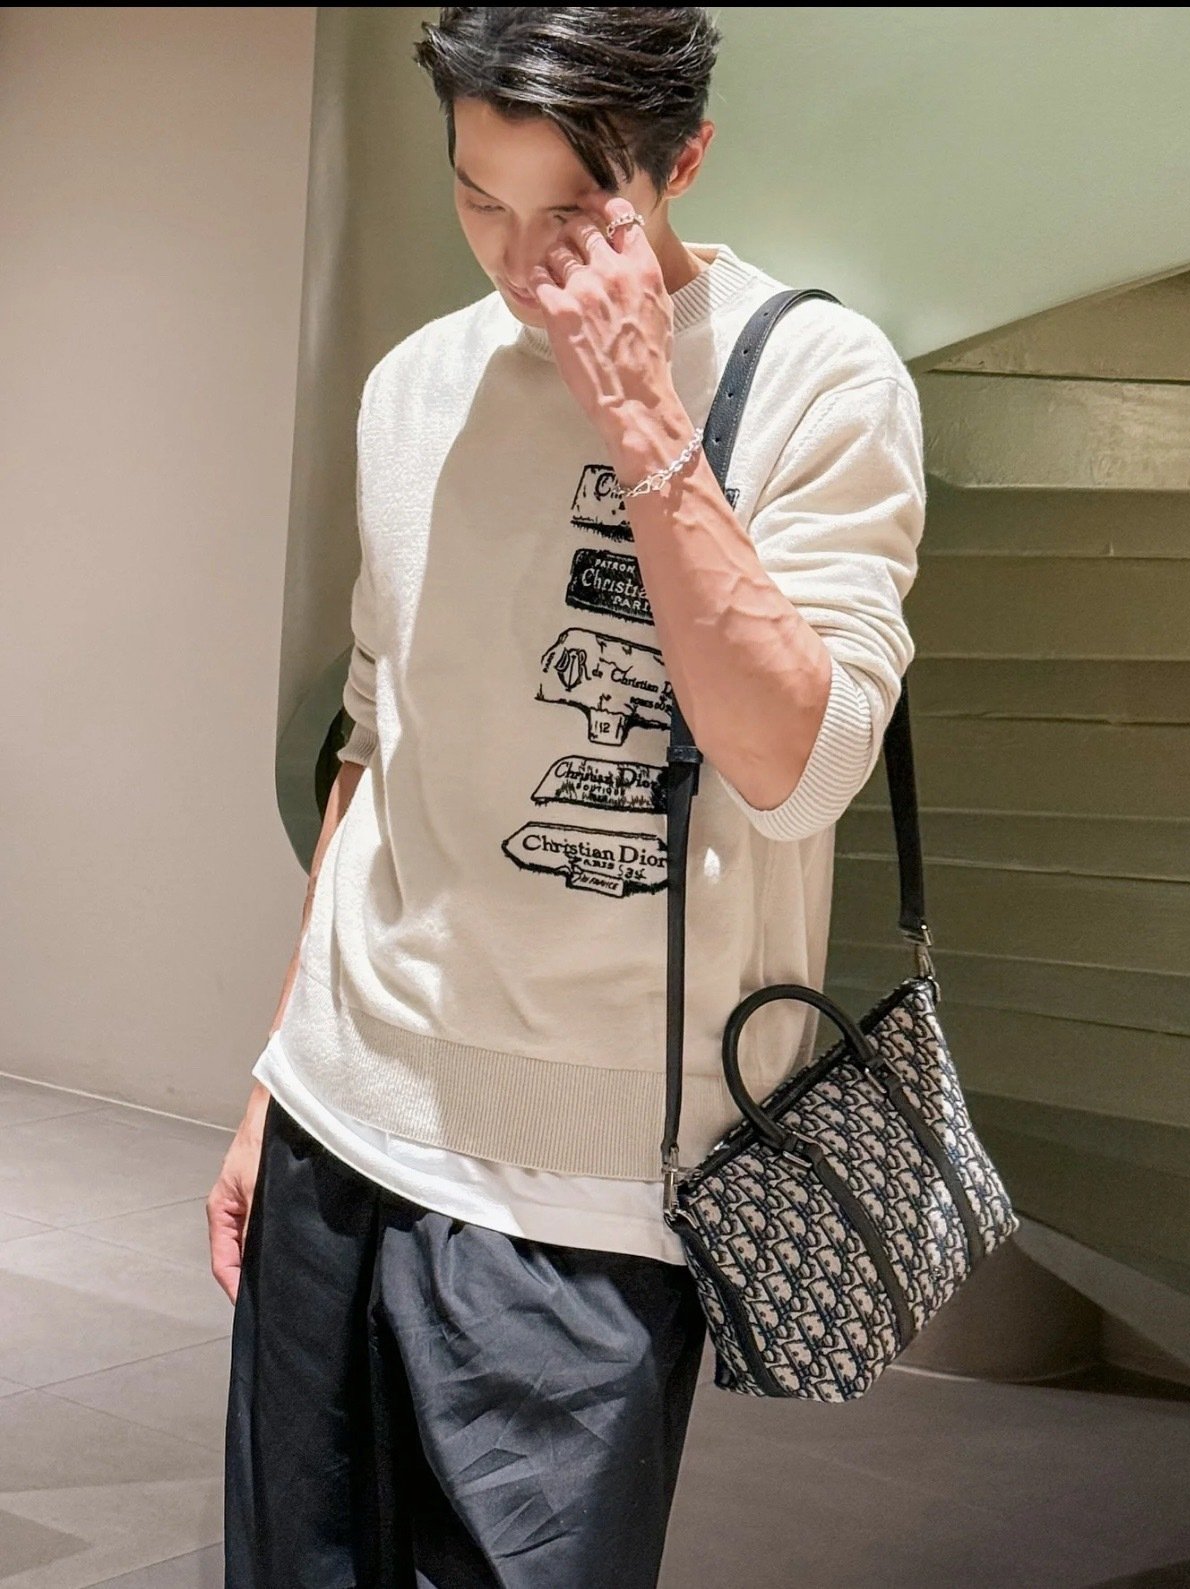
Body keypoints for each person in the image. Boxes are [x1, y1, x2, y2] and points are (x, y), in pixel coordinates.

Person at [210, 7, 926, 1586]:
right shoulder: (414, 383)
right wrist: (277, 1073)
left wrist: (643, 420)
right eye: (478, 196)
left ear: (684, 162)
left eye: (574, 212)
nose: (520, 261)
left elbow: (797, 769)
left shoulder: (819, 380)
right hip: (340, 1117)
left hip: (590, 1198)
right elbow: (376, 742)